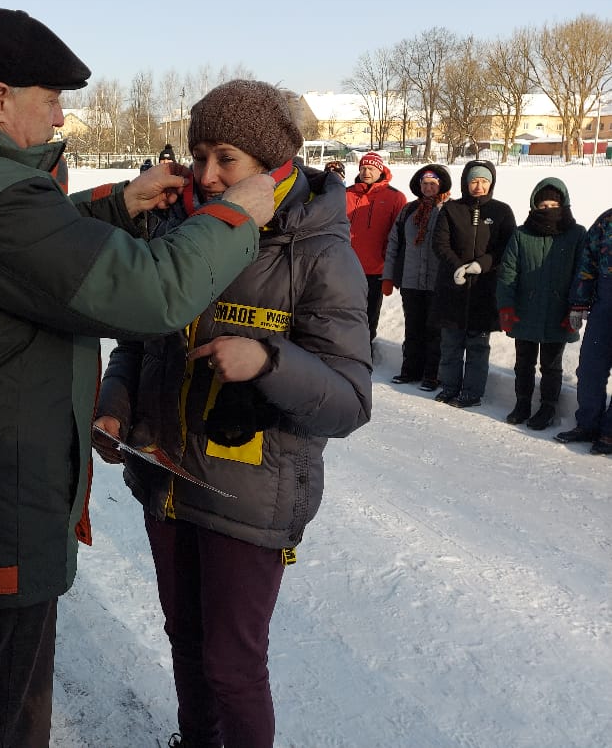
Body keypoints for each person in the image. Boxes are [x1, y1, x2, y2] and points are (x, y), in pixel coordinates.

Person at [0, 8, 277, 747]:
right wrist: (233, 218)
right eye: (51, 100)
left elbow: (16, 248)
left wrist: (115, 204)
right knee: (2, 718)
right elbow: (148, 293)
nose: (61, 116)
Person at [94, 80, 372, 748]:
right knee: (186, 643)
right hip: (165, 475)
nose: (208, 175)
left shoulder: (319, 253)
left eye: (227, 159)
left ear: (272, 165)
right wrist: (114, 406)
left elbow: (350, 401)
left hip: (248, 492)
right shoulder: (175, 227)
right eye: (199, 156)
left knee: (232, 664)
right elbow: (139, 338)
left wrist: (269, 361)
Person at [495, 178, 586, 430]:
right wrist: (506, 306)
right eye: (543, 204)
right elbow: (508, 272)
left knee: (551, 365)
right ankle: (522, 402)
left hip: (560, 313)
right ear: (534, 206)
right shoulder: (522, 234)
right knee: (524, 361)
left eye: (553, 203)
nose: (548, 209)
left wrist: (575, 310)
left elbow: (583, 275)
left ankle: (548, 407)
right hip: (525, 311)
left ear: (563, 204)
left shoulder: (577, 234)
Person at [431, 159, 516, 408]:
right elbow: (440, 243)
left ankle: (472, 391)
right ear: (466, 183)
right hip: (452, 287)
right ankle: (449, 386)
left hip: (484, 289)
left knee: (478, 345)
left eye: (484, 181)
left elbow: (506, 247)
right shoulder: (451, 209)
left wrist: (483, 264)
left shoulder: (502, 212)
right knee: (451, 343)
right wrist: (457, 265)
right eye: (474, 181)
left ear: (491, 183)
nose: (478, 186)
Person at [382, 164, 452, 390]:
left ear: (441, 185)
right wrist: (388, 276)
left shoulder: (449, 209)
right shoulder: (409, 211)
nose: (428, 187)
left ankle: (432, 375)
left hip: (437, 283)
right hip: (411, 281)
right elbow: (394, 243)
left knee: (434, 331)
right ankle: (410, 371)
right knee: (413, 328)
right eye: (425, 184)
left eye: (433, 184)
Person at [555, 207, 612, 453]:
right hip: (604, 306)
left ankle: (610, 432)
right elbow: (587, 263)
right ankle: (587, 424)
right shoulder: (606, 221)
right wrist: (579, 302)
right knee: (590, 368)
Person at [345, 152, 406, 347]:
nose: (366, 172)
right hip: (346, 265)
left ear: (380, 170)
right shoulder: (346, 194)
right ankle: (343, 348)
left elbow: (399, 234)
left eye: (371, 168)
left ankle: (365, 349)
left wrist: (393, 265)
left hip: (376, 268)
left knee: (370, 313)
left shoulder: (395, 197)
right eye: (363, 168)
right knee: (344, 310)